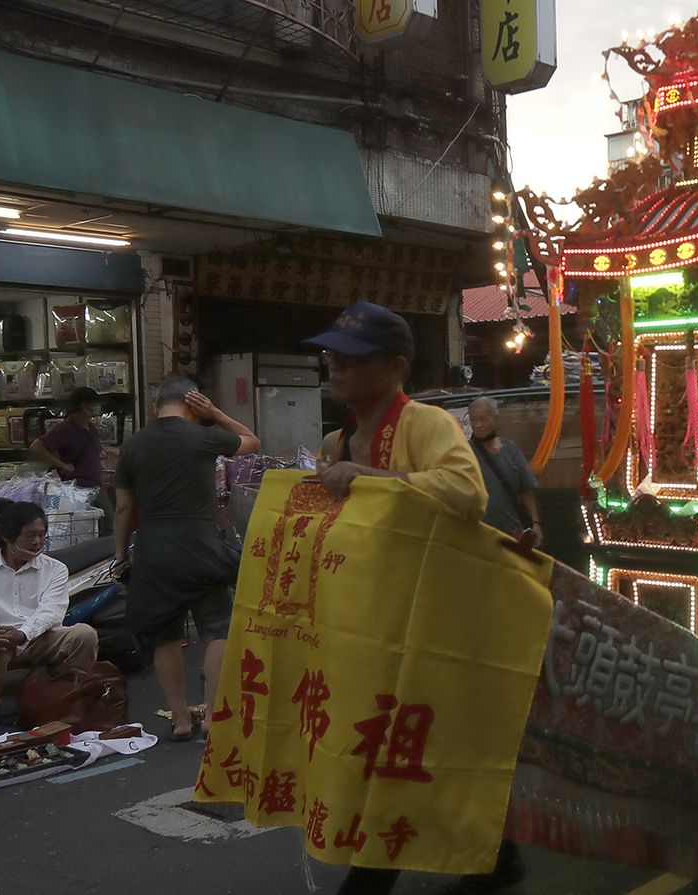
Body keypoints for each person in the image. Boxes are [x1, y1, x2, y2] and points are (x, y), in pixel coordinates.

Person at [295, 302, 508, 895]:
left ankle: (378, 876)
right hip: (363, 623)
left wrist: (374, 480)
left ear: (395, 367)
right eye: (331, 356)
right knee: (393, 741)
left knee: (407, 741)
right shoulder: (334, 441)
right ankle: (493, 855)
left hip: (429, 620)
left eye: (351, 358)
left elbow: (468, 495)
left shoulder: (426, 424)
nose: (334, 366)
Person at [113, 377, 260, 741]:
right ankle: (211, 714)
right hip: (201, 545)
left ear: (154, 407)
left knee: (165, 635)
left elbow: (123, 507)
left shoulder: (132, 446)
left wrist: (120, 555)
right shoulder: (203, 437)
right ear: (194, 405)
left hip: (154, 548)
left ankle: (180, 719)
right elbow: (252, 442)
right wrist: (218, 414)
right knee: (218, 628)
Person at [0, 501, 98, 740]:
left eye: (42, 535)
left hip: (39, 637)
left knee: (84, 634)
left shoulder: (55, 569)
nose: (38, 542)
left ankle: (72, 702)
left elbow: (51, 612)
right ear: (8, 536)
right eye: (30, 535)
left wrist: (23, 634)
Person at [468, 396, 542, 543]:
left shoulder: (510, 450)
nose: (478, 425)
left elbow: (527, 489)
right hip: (480, 535)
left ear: (495, 420)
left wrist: (536, 523)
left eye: (482, 419)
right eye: (473, 420)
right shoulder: (465, 452)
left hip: (513, 533)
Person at [30, 387, 104, 488]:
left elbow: (97, 455)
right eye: (94, 404)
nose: (97, 407)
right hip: (77, 487)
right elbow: (36, 447)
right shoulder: (65, 429)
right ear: (84, 406)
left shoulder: (91, 428)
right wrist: (62, 465)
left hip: (95, 485)